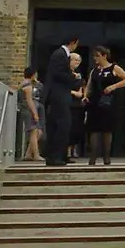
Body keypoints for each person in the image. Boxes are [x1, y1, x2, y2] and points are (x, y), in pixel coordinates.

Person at [83, 46, 125, 166]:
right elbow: (89, 85)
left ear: (104, 56)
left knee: (106, 130)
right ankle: (93, 157)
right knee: (94, 130)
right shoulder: (94, 71)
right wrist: (85, 95)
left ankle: (106, 156)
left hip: (108, 102)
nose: (95, 59)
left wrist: (113, 86)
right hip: (95, 102)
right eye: (94, 56)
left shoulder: (114, 68)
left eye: (97, 56)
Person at [43, 36, 79, 166]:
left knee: (61, 125)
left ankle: (61, 155)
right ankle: (54, 156)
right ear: (73, 42)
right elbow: (58, 74)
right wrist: (73, 77)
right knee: (62, 125)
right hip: (58, 94)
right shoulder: (60, 54)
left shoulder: (62, 54)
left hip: (60, 94)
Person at [18, 67, 43, 161]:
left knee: (38, 132)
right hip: (29, 111)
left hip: (28, 110)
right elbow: (29, 100)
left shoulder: (24, 83)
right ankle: (36, 154)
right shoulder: (27, 85)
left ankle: (28, 154)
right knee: (34, 132)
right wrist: (35, 113)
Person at [66, 52, 86, 163]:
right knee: (67, 128)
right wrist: (72, 92)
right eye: (75, 60)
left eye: (79, 61)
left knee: (75, 128)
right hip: (67, 103)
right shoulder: (65, 73)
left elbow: (80, 92)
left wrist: (73, 92)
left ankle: (73, 150)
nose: (77, 63)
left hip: (77, 105)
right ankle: (66, 152)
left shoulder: (79, 75)